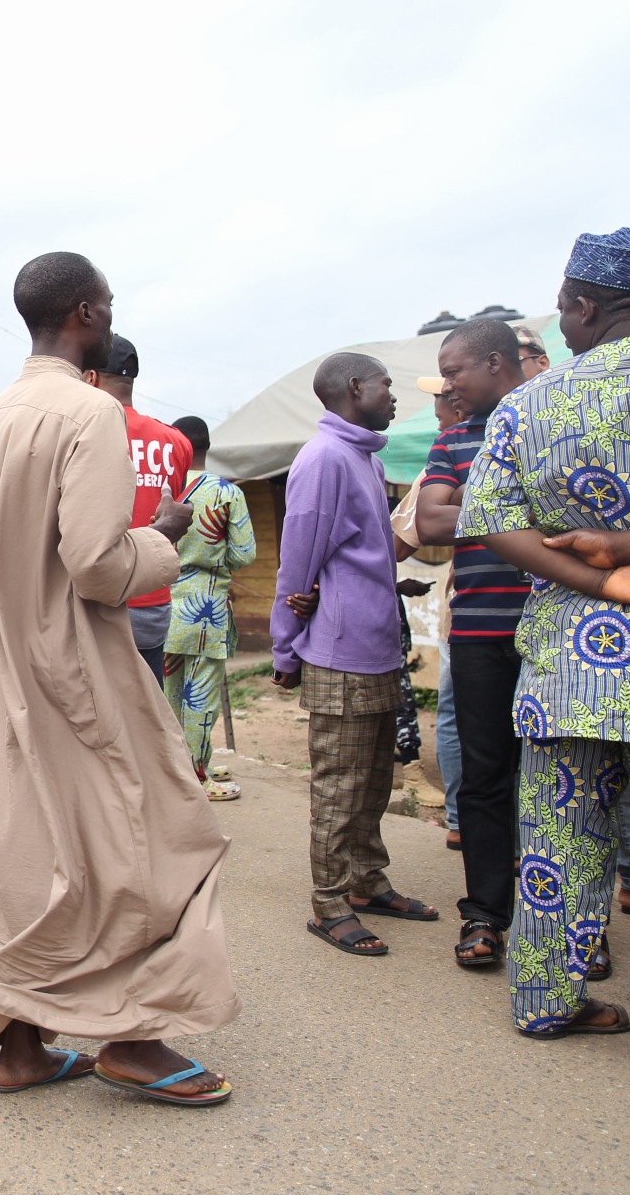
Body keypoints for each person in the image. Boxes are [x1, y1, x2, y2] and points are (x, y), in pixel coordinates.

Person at [0, 252, 236, 1105]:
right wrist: (165, 533)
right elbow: (98, 567)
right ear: (85, 312)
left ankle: (22, 1048)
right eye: (107, 304)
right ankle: (135, 1040)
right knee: (154, 838)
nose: (111, 316)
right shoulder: (90, 411)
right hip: (77, 669)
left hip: (10, 670)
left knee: (38, 854)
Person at [457, 228, 630, 1099]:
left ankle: (544, 1000)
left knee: (559, 841)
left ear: (585, 305)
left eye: (563, 306)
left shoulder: (530, 403)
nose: (560, 322)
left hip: (567, 663)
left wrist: (602, 575)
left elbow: (491, 520)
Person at [271, 353, 437, 957]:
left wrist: (389, 585)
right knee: (340, 785)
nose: (394, 395)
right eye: (387, 385)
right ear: (355, 387)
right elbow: (298, 561)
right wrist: (285, 648)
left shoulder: (366, 457)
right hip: (339, 654)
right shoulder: (323, 459)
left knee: (372, 781)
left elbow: (362, 554)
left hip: (377, 647)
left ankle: (367, 880)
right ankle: (331, 902)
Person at [411, 319, 535, 970]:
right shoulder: (454, 439)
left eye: (454, 372)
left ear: (494, 361)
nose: (449, 387)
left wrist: (474, 505)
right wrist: (521, 514)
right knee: (484, 780)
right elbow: (430, 520)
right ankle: (485, 917)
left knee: (558, 781)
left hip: (550, 632)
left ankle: (574, 927)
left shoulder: (552, 425)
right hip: (480, 634)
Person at [84, 337, 193, 678]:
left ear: (90, 377)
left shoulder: (84, 434)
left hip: (99, 602)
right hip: (153, 600)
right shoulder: (176, 441)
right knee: (148, 699)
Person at [161, 416, 254, 803]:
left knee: (169, 693)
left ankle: (173, 770)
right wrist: (215, 560)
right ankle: (197, 777)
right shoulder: (226, 492)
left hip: (162, 603)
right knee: (200, 696)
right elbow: (245, 554)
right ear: (207, 445)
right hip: (207, 609)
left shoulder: (162, 489)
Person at [404, 384, 467, 846]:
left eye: (444, 395)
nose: (437, 407)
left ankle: (464, 822)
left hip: (471, 616)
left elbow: (404, 535)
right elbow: (422, 524)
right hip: (475, 613)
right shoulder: (446, 453)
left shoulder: (449, 454)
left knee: (458, 716)